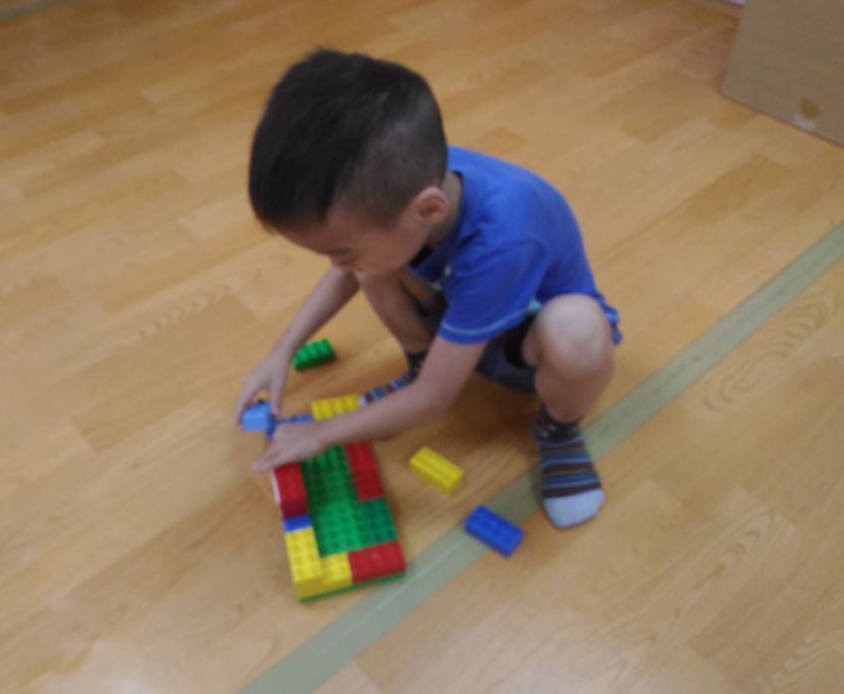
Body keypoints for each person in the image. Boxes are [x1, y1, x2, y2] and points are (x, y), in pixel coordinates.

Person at [234, 49, 621, 528]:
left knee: (578, 330)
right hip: (462, 315)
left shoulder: (505, 237)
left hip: (527, 345)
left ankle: (558, 430)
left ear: (429, 209)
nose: (336, 267)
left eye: (342, 253)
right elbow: (352, 268)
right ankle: (422, 363)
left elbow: (436, 401)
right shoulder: (405, 180)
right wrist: (282, 350)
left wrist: (320, 434)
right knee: (371, 264)